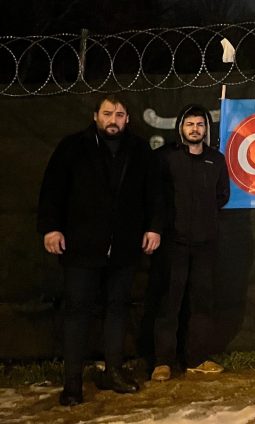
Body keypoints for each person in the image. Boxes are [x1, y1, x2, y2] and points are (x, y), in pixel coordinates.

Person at [37, 95, 163, 406]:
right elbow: (52, 189)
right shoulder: (72, 147)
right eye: (107, 113)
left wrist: (154, 227)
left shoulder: (140, 150)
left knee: (118, 309)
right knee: (77, 312)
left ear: (127, 119)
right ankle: (72, 383)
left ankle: (113, 372)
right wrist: (51, 228)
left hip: (124, 248)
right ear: (96, 116)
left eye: (119, 114)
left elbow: (155, 193)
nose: (113, 120)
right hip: (81, 246)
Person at [151, 105, 230, 381]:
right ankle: (162, 362)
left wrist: (204, 220)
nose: (195, 129)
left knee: (201, 303)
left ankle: (197, 359)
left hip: (205, 245)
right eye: (190, 124)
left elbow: (222, 196)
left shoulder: (216, 160)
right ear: (181, 127)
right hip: (173, 244)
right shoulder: (166, 158)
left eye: (200, 124)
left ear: (206, 129)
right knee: (168, 303)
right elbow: (156, 196)